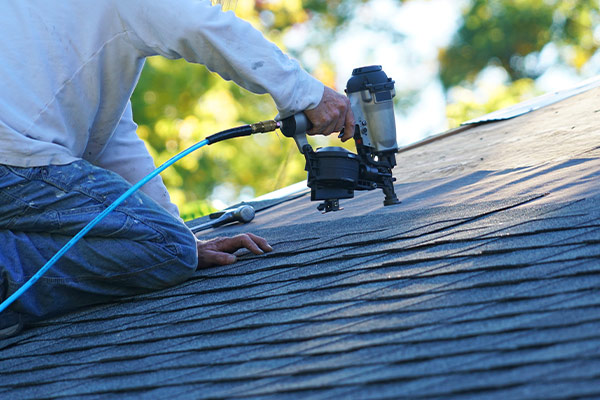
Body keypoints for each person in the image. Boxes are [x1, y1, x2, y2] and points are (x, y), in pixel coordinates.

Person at [0, 0, 354, 337]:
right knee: (169, 250)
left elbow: (111, 142)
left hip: (15, 156)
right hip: (12, 156)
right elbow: (198, 24)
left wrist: (185, 237)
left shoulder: (81, 33)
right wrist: (308, 93)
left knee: (174, 245)